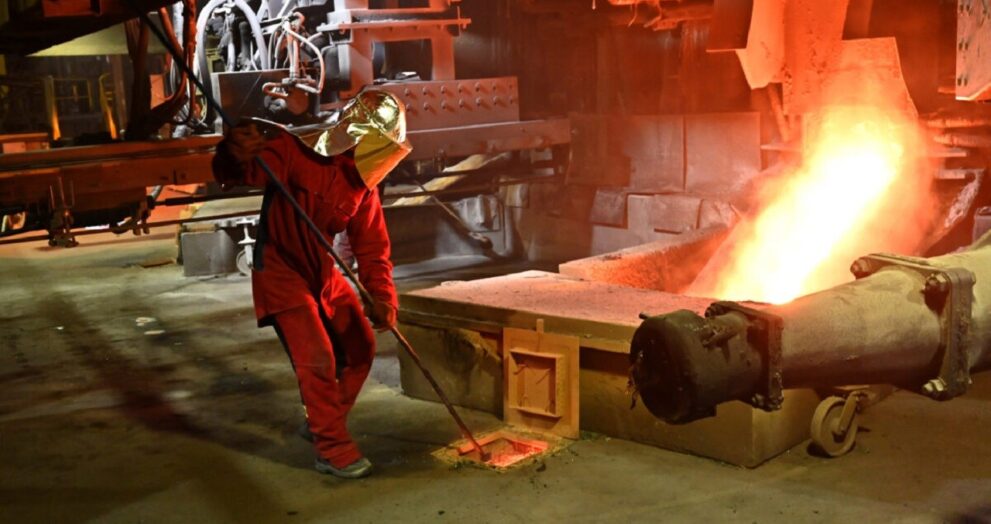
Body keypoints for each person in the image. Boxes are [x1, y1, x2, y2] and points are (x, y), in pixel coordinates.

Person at [211, 89, 412, 479]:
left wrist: (384, 298)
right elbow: (236, 174)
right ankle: (332, 449)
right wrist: (234, 153)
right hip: (281, 271)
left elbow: (372, 247)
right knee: (317, 358)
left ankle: (323, 420)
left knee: (361, 346)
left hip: (321, 271)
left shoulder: (362, 187)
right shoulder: (294, 151)